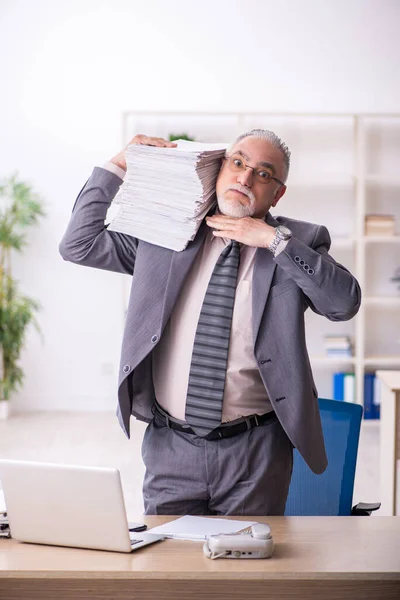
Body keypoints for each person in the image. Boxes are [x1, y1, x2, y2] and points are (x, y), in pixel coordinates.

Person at [59, 129, 361, 516]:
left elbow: (344, 303)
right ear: (218, 169)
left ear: (277, 194)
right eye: (237, 163)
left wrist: (274, 241)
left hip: (256, 452)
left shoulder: (296, 241)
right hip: (172, 447)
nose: (245, 178)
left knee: (245, 571)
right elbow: (78, 243)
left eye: (263, 174)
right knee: (169, 569)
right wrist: (117, 165)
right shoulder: (166, 233)